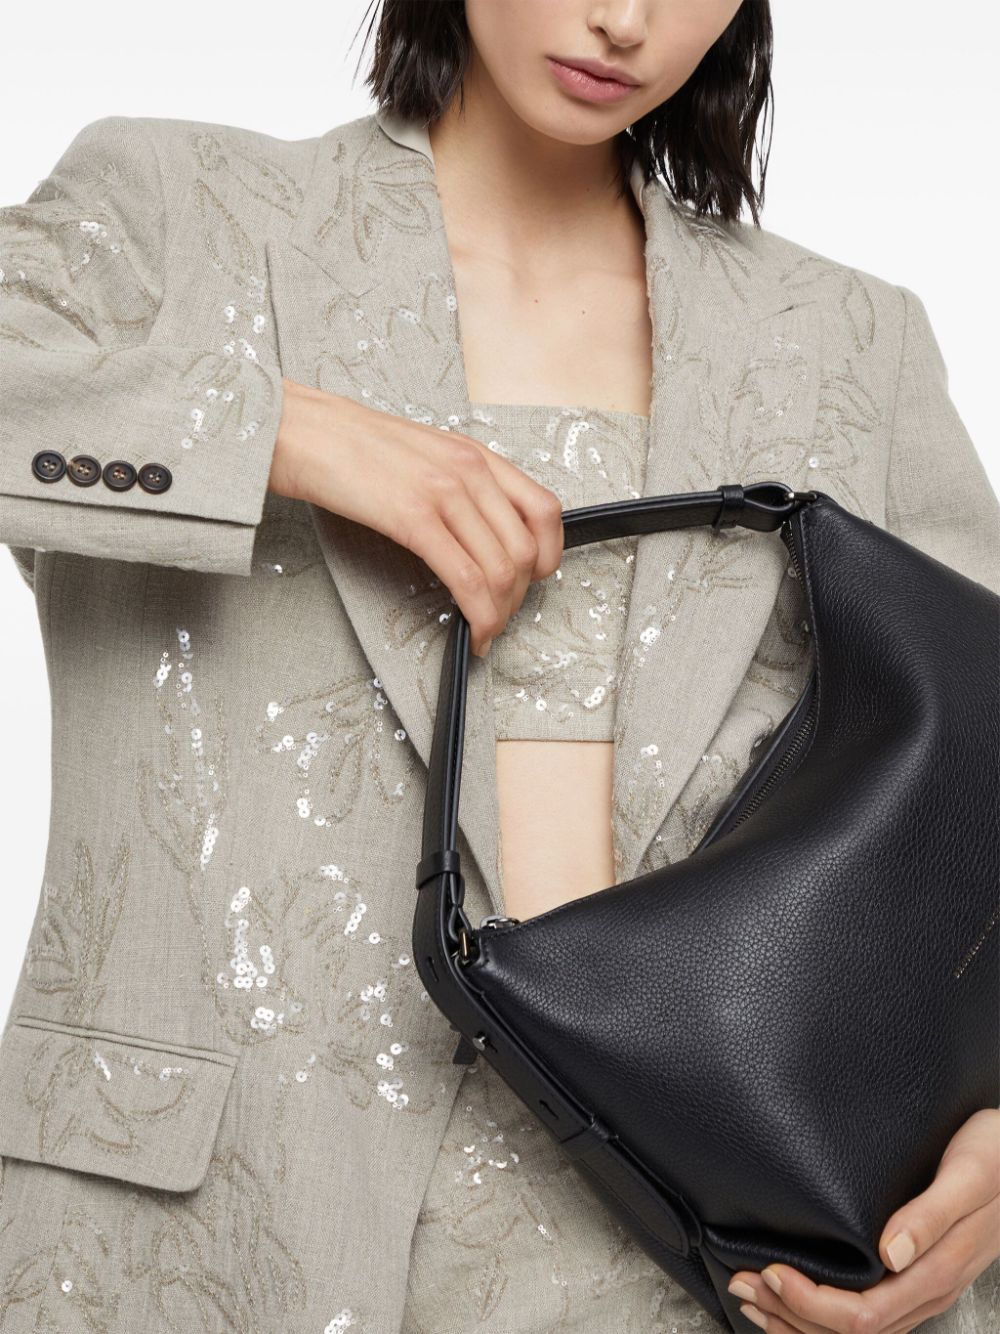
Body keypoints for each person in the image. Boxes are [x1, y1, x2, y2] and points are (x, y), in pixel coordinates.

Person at [0, 1, 997, 1330]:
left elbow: (979, 813)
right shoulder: (181, 215)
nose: (624, 19)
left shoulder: (851, 341)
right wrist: (285, 433)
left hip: (697, 1260)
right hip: (210, 1242)